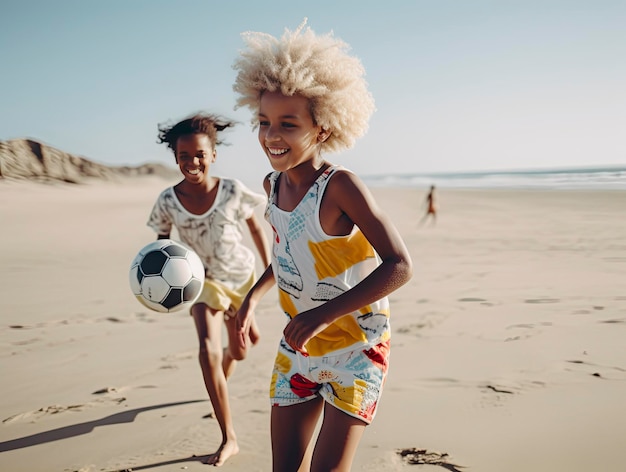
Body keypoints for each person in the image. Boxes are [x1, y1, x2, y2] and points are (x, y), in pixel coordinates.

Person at [232, 20, 413, 472]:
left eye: (288, 125)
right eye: (264, 122)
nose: (271, 136)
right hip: (300, 347)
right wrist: (250, 301)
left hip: (358, 348)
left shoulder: (340, 187)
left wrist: (321, 314)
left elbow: (400, 265)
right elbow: (285, 258)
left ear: (323, 130)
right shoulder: (271, 186)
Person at [146, 112, 271, 466]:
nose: (192, 162)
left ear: (213, 154)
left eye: (200, 154)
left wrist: (267, 271)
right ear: (175, 158)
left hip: (242, 279)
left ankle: (221, 383)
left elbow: (257, 228)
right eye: (184, 156)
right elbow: (161, 248)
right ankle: (228, 436)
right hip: (202, 282)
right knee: (207, 350)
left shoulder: (231, 189)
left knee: (244, 350)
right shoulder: (168, 200)